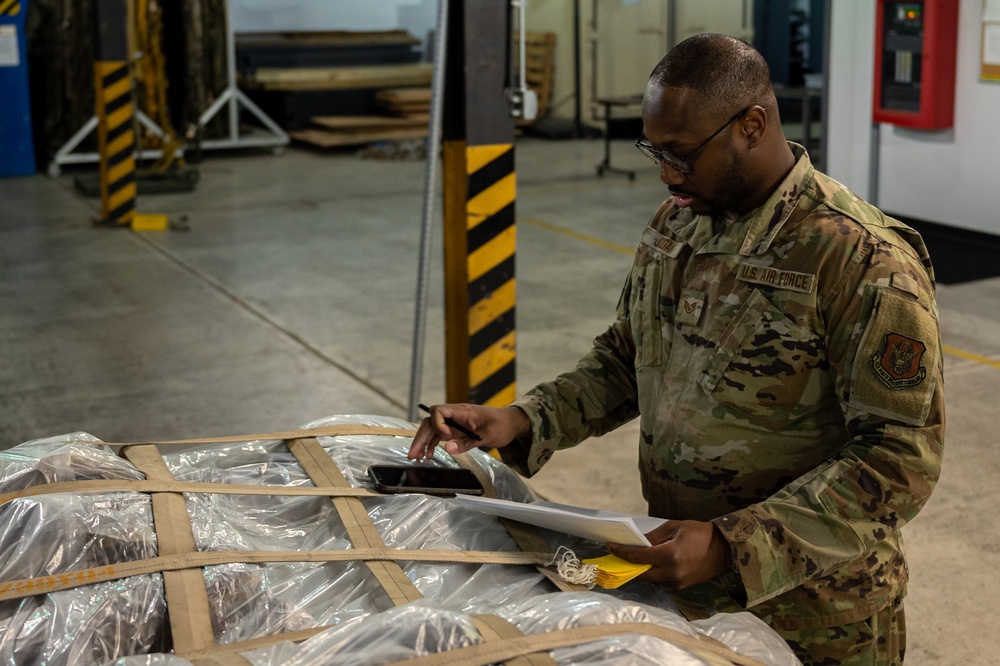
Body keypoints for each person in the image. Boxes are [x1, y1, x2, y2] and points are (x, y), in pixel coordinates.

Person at [410, 34, 943, 666]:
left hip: (816, 612)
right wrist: (524, 420)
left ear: (752, 125)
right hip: (687, 591)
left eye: (681, 153)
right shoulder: (677, 226)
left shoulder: (859, 258)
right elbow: (624, 359)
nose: (665, 172)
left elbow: (898, 458)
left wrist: (732, 545)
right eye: (654, 150)